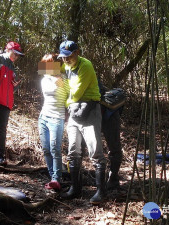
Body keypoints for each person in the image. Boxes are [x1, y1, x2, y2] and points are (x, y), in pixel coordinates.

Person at [59, 40, 107, 205]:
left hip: (89, 109)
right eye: (63, 57)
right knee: (73, 150)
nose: (66, 60)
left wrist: (65, 104)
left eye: (69, 57)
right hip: (74, 111)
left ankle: (101, 191)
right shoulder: (66, 66)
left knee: (95, 151)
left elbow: (77, 92)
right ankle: (75, 188)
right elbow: (62, 84)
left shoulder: (85, 65)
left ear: (77, 53)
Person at [37, 54, 69, 191]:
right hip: (44, 117)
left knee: (55, 148)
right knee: (46, 149)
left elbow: (70, 94)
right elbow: (48, 92)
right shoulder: (45, 79)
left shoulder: (65, 78)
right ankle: (52, 178)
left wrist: (63, 83)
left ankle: (56, 178)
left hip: (57, 117)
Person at [99, 85, 124, 190]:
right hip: (95, 115)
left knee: (114, 147)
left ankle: (113, 178)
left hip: (109, 115)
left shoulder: (86, 73)